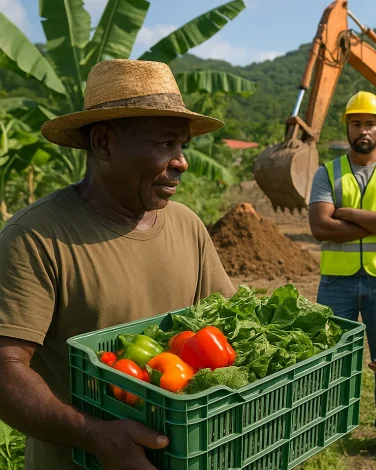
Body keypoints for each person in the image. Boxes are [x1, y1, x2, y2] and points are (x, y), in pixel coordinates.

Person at [0, 59, 236, 470]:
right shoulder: (35, 237)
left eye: (183, 146)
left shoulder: (187, 226)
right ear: (104, 144)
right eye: (165, 144)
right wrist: (94, 435)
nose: (181, 161)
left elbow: (228, 325)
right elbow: (4, 370)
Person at [308, 91, 376, 468]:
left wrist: (350, 213)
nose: (363, 129)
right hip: (336, 282)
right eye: (356, 123)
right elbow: (320, 227)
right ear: (348, 128)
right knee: (330, 357)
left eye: (370, 123)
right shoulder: (327, 171)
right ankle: (325, 428)